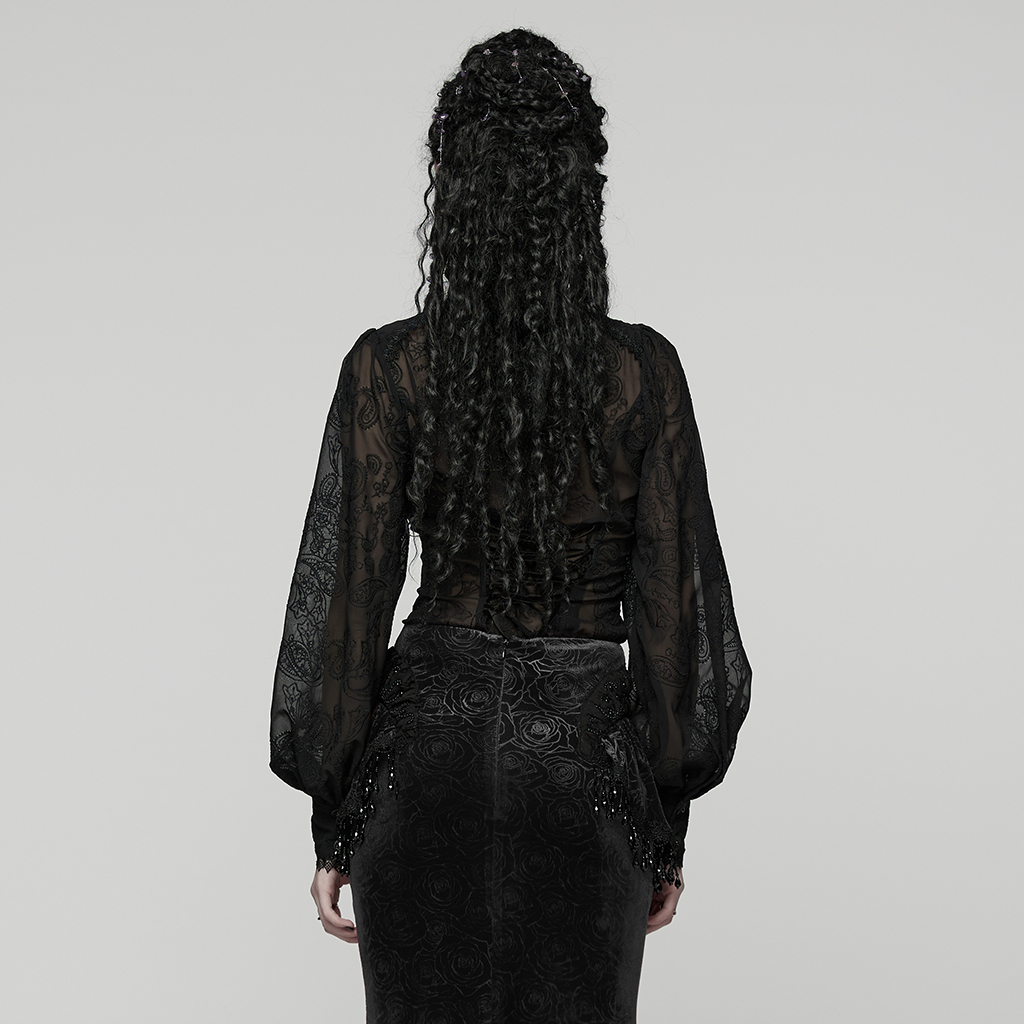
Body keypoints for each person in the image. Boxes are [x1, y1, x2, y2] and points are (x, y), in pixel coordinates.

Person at [269, 27, 752, 1023]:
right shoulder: (642, 374)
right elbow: (679, 625)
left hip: (424, 762)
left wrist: (333, 822)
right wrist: (664, 830)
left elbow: (345, 609)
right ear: (581, 195)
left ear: (453, 192)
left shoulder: (390, 369)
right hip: (583, 772)